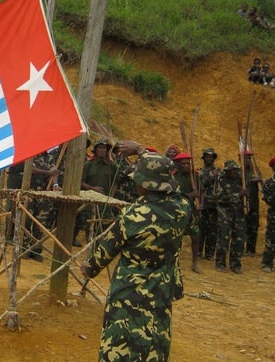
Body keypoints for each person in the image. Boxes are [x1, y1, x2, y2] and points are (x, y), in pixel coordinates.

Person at [82, 145, 192, 362]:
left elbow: (104, 252)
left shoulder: (132, 216)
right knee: (154, 344)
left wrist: (89, 268)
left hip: (128, 295)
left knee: (119, 346)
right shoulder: (182, 209)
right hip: (161, 292)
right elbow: (177, 193)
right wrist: (141, 151)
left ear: (143, 184)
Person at [78, 139, 119, 246]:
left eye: (104, 148)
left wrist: (111, 197)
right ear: (95, 150)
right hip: (90, 201)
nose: (102, 150)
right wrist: (92, 188)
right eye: (99, 148)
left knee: (104, 226)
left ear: (107, 150)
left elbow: (116, 183)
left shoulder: (112, 166)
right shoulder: (88, 164)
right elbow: (81, 182)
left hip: (105, 202)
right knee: (91, 227)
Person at [213, 160, 247, 274]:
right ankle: (220, 262)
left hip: (238, 213)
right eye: (231, 170)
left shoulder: (241, 180)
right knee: (223, 239)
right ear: (227, 171)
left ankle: (235, 263)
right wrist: (238, 195)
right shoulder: (220, 180)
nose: (233, 172)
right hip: (225, 213)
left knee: (239, 239)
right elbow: (220, 198)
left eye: (235, 170)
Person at [172, 152, 202, 273]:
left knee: (195, 236)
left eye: (188, 164)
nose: (186, 166)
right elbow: (174, 196)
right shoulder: (173, 177)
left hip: (191, 211)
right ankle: (175, 263)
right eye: (183, 164)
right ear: (178, 164)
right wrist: (190, 195)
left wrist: (201, 204)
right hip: (178, 211)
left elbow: (201, 191)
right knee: (177, 238)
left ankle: (195, 263)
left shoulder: (195, 176)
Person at [198, 148, 220, 260]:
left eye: (211, 157)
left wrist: (217, 177)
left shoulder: (218, 172)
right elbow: (200, 186)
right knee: (201, 229)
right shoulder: (199, 172)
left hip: (214, 204)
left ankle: (210, 253)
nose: (209, 158)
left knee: (212, 230)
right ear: (204, 158)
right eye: (207, 156)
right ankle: (198, 251)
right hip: (202, 203)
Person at [240, 150, 261, 256]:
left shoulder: (256, 171)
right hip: (242, 204)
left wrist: (259, 180)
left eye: (249, 158)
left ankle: (251, 249)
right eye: (246, 158)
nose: (248, 160)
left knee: (253, 227)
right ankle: (240, 248)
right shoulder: (239, 172)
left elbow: (262, 187)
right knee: (242, 227)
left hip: (253, 204)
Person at [261, 156, 275, 272]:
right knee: (271, 241)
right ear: (273, 168)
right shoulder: (268, 183)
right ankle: (267, 264)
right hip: (274, 216)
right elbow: (267, 199)